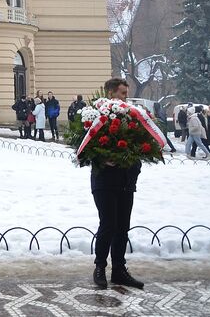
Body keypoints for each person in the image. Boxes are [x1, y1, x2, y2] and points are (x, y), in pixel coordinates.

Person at [90, 77, 145, 290]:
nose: (125, 98)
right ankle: (100, 268)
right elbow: (85, 148)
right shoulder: (96, 116)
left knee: (122, 227)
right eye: (122, 93)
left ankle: (119, 271)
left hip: (125, 181)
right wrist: (102, 158)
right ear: (111, 93)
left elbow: (139, 144)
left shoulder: (131, 117)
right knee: (108, 224)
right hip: (104, 181)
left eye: (126, 94)